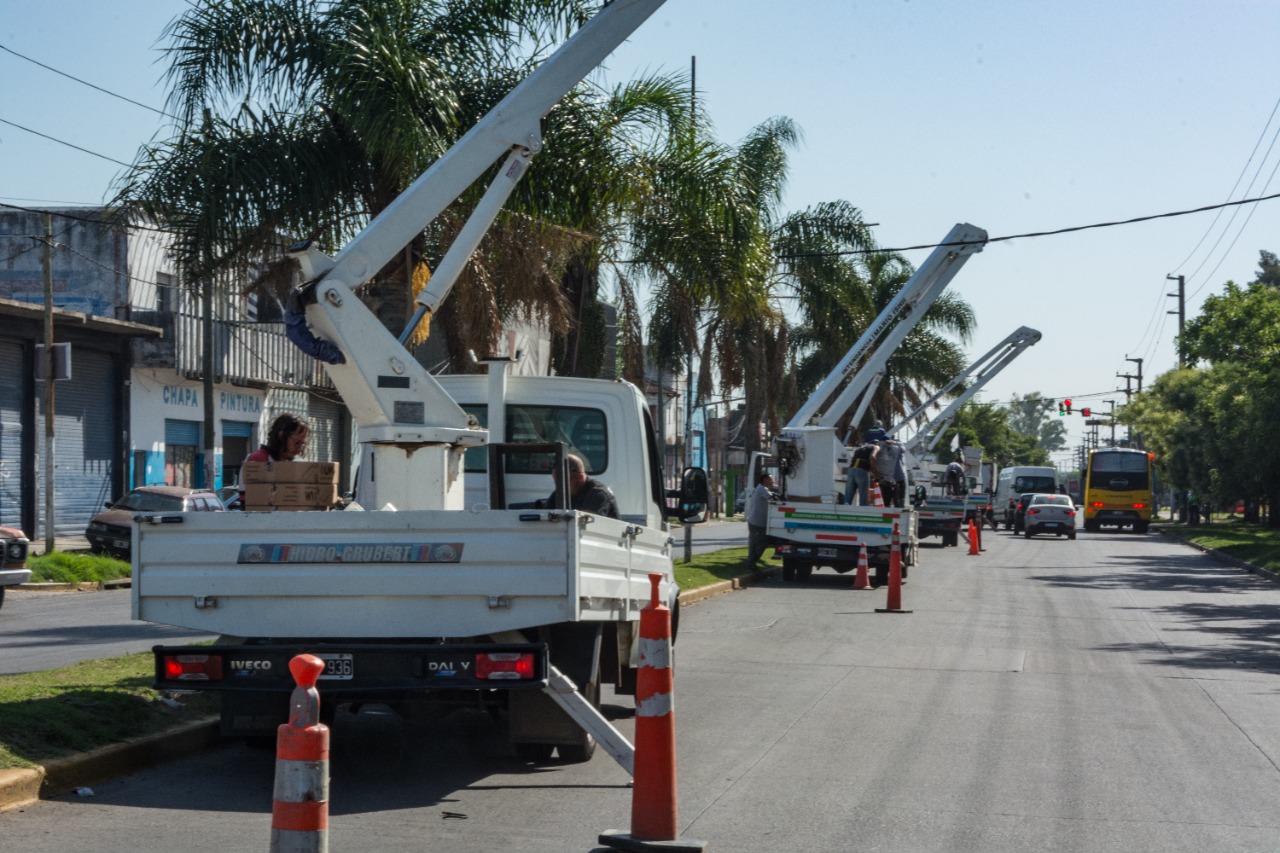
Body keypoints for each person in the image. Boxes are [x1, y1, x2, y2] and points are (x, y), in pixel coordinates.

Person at [544, 453, 619, 518]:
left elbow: (588, 526)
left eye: (564, 482)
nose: (560, 486)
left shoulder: (598, 494)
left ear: (580, 477)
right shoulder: (558, 495)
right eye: (556, 482)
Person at [245, 413, 310, 465]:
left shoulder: (293, 464)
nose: (299, 449)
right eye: (297, 443)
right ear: (281, 436)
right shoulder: (259, 460)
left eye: (302, 444)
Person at [746, 473, 776, 569]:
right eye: (771, 480)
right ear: (765, 480)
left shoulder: (761, 489)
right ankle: (752, 562)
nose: (772, 482)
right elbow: (772, 498)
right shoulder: (762, 489)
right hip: (756, 522)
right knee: (757, 543)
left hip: (758, 522)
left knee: (760, 542)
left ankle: (753, 561)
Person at [872, 434, 906, 508]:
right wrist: (894, 442)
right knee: (899, 501)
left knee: (886, 502)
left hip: (885, 480)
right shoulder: (896, 449)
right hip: (897, 479)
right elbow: (903, 449)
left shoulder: (879, 449)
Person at [844, 439, 876, 505]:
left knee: (848, 496)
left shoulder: (860, 448)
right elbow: (872, 457)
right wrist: (875, 471)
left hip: (851, 470)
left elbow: (852, 459)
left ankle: (845, 512)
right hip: (862, 470)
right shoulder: (876, 447)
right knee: (863, 495)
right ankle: (863, 512)